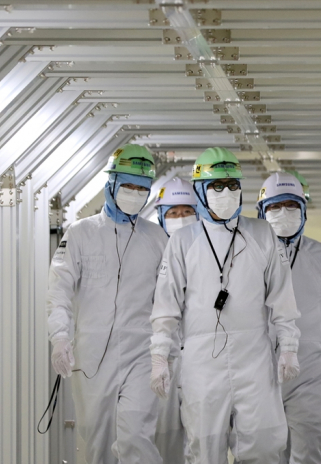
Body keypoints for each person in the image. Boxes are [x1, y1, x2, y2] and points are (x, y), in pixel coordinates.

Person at [148, 147, 301, 463]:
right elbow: (167, 304)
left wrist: (288, 345)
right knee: (205, 449)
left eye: (232, 184)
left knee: (265, 445)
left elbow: (282, 297)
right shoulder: (183, 241)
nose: (226, 192)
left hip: (254, 359)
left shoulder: (261, 234)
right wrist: (160, 355)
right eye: (216, 186)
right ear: (201, 191)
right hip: (202, 362)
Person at [46, 144, 168, 463]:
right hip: (92, 357)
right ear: (110, 184)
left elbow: (170, 301)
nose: (135, 193)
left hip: (142, 355)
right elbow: (58, 291)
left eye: (142, 188)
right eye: (128, 185)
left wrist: (166, 351)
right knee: (97, 444)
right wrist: (59, 337)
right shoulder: (80, 233)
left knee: (136, 437)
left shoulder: (157, 239)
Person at [256, 171, 321, 464]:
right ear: (261, 212)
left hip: (309, 372)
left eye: (291, 205)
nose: (283, 212)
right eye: (274, 206)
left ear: (304, 210)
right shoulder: (247, 256)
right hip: (257, 371)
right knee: (263, 452)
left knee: (307, 449)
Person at [152, 176, 200, 463]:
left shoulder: (210, 249)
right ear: (161, 216)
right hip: (164, 361)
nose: (180, 218)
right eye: (172, 213)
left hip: (202, 360)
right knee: (165, 440)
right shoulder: (151, 250)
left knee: (204, 441)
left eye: (186, 211)